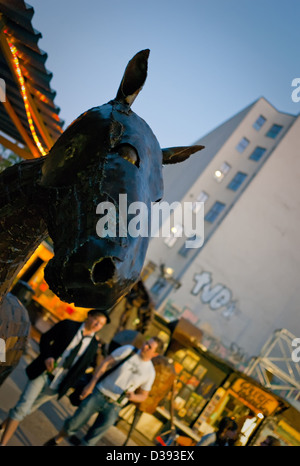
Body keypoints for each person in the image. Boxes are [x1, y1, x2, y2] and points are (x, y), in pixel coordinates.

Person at [0, 309, 109, 446]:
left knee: (27, 410)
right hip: (44, 372)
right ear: (89, 316)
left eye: (100, 324)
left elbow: (81, 370)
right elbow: (45, 338)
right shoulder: (68, 325)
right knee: (22, 407)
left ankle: (3, 426)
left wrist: (70, 386)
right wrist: (48, 356)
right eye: (96, 320)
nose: (96, 324)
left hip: (57, 384)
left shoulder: (93, 346)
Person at [43, 336, 164, 446]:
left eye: (149, 347)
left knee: (92, 439)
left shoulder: (150, 372)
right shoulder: (129, 350)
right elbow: (105, 362)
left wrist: (133, 396)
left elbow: (143, 396)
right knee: (73, 423)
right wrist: (91, 384)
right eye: (146, 343)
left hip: (115, 406)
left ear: (155, 354)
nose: (145, 346)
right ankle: (57, 439)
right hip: (99, 393)